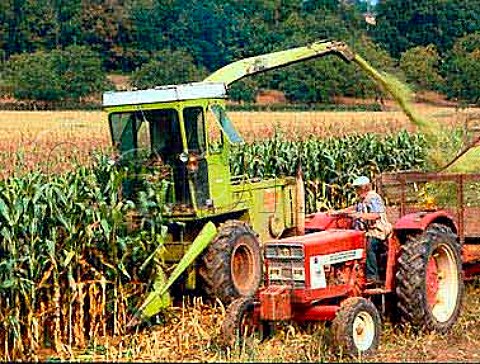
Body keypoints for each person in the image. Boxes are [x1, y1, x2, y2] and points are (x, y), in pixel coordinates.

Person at [330, 176, 392, 285]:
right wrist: (338, 212)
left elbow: (376, 215)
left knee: (370, 245)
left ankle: (373, 277)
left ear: (365, 188)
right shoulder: (361, 199)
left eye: (357, 188)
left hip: (378, 230)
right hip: (364, 231)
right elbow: (354, 208)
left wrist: (359, 215)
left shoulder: (373, 198)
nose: (356, 191)